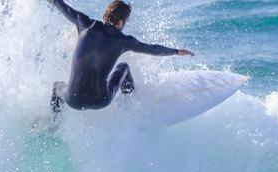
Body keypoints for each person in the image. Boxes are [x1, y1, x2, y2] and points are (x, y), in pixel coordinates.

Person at [47, 0, 194, 113]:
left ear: (106, 16)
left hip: (74, 100)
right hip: (101, 100)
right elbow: (153, 49)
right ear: (121, 22)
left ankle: (53, 121)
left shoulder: (84, 23)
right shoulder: (124, 41)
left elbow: (58, 3)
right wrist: (176, 51)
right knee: (123, 68)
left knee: (56, 87)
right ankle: (132, 106)